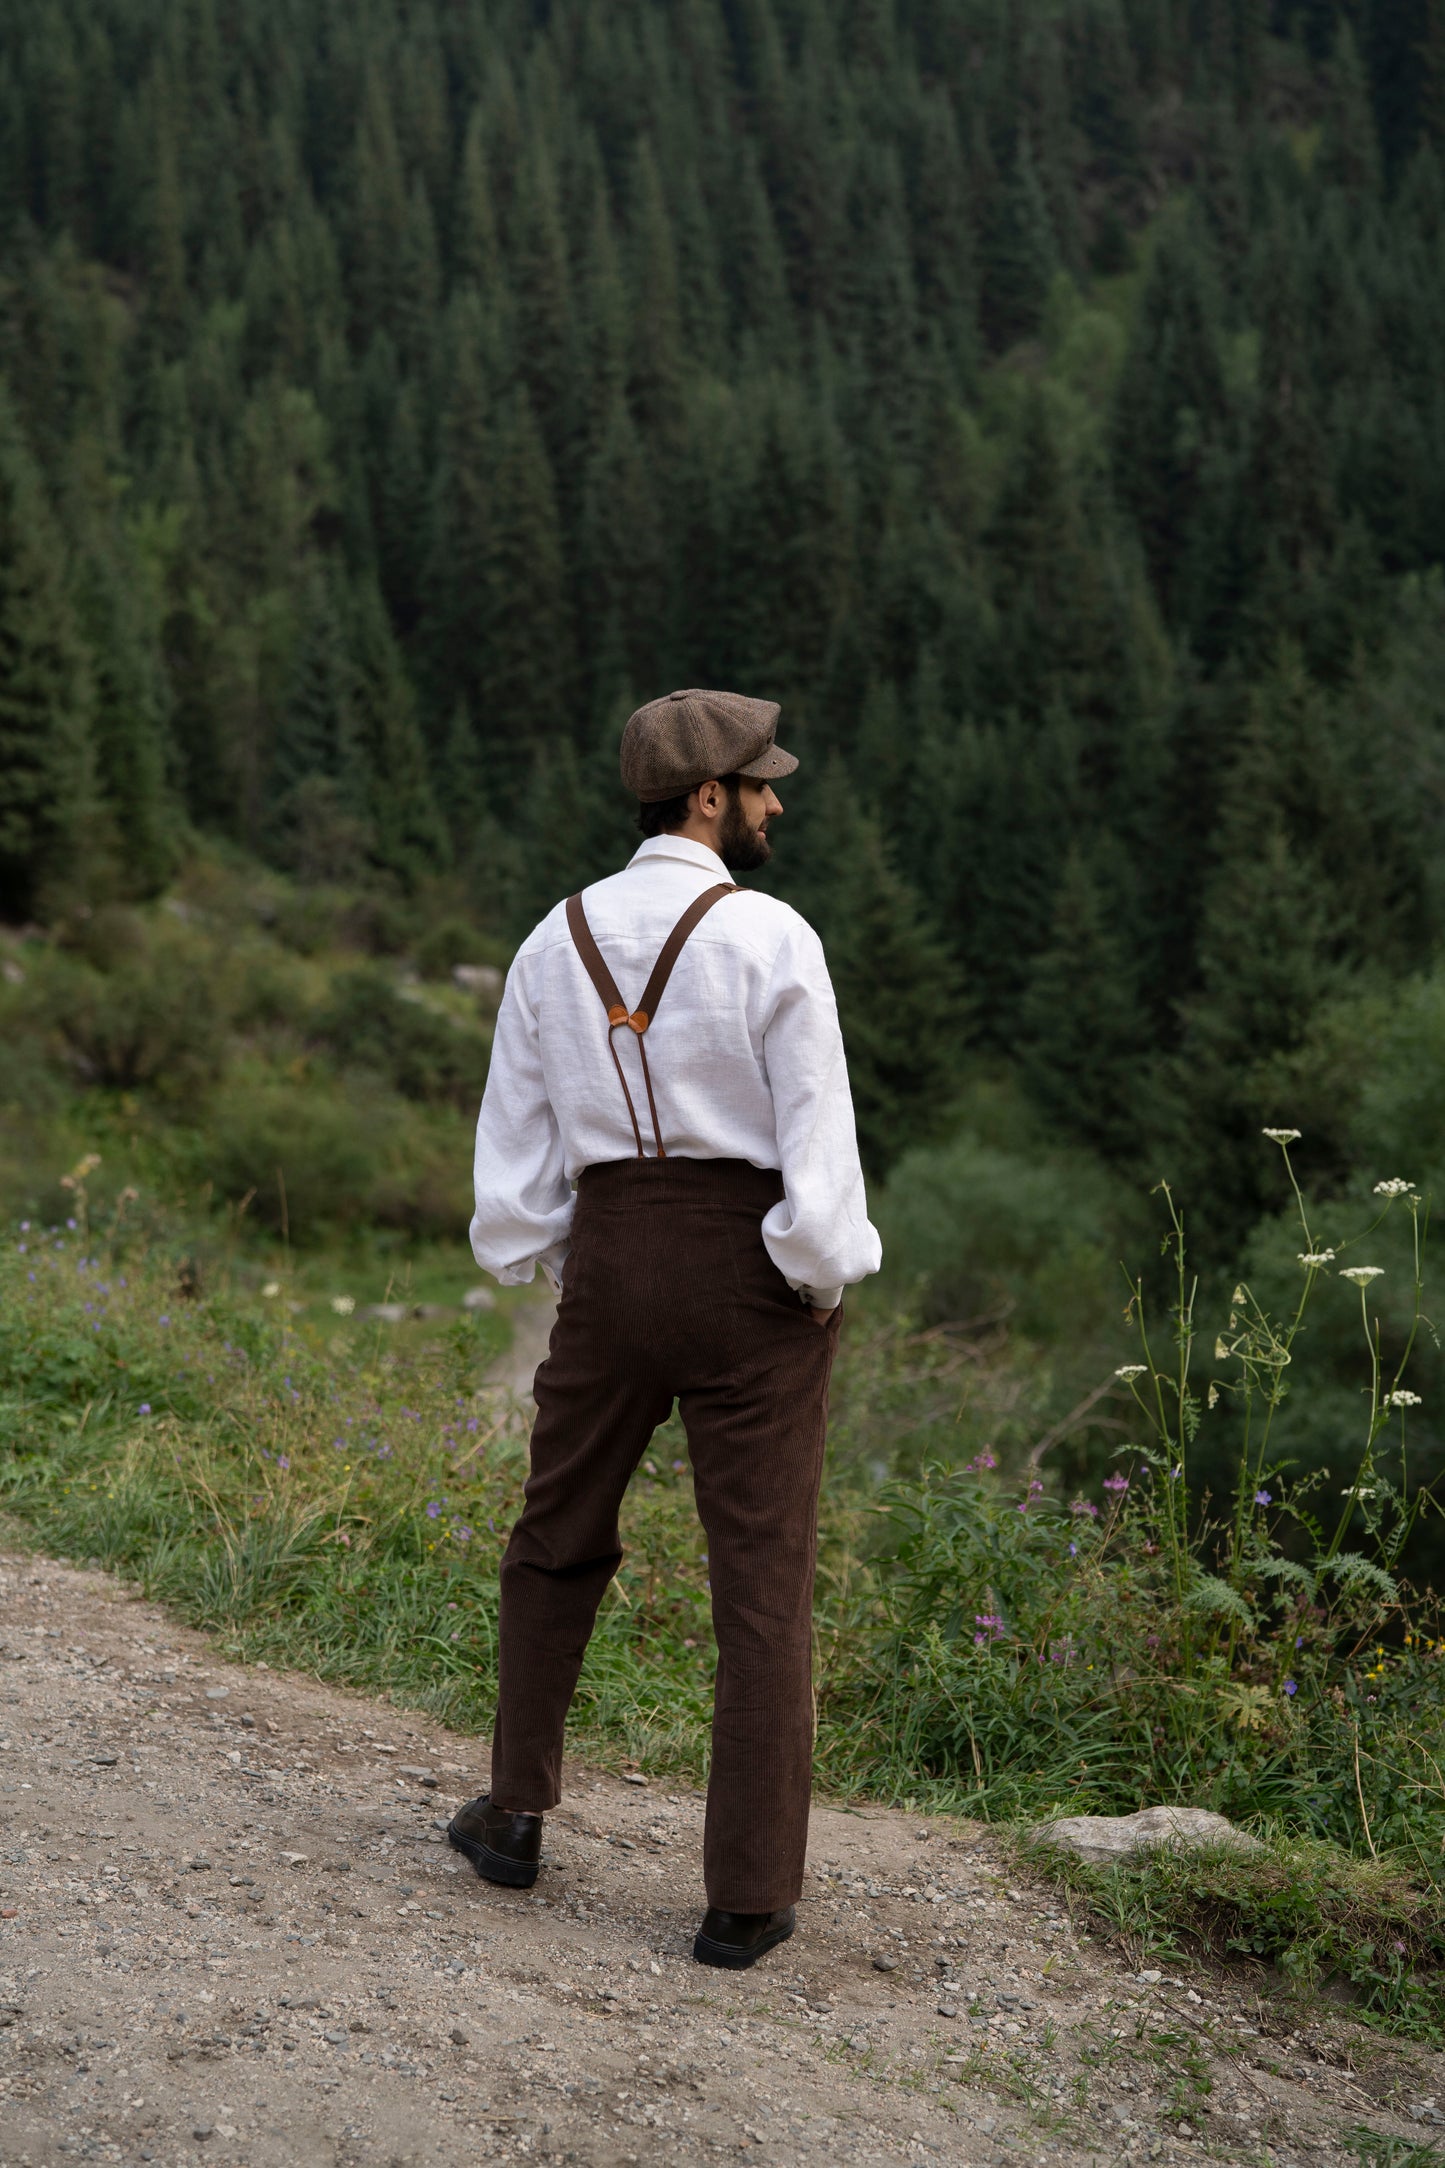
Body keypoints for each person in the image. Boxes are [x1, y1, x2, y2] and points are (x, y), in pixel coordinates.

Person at [451, 688, 881, 1969]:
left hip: (611, 1258)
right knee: (761, 1580)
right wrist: (817, 1275)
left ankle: (512, 1816)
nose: (774, 801)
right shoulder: (770, 935)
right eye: (760, 784)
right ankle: (744, 1897)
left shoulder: (551, 937)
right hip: (750, 1274)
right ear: (707, 798)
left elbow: (515, 1147)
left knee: (555, 1533)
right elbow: (817, 1134)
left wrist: (559, 1254)